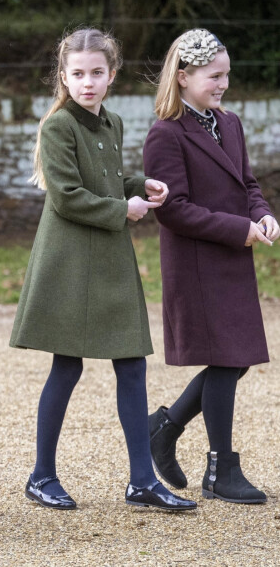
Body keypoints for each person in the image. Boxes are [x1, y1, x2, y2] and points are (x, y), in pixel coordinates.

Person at [10, 27, 196, 512]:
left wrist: (140, 182)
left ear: (111, 75)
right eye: (78, 74)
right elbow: (68, 196)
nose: (87, 82)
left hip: (109, 258)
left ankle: (142, 481)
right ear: (64, 77)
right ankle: (41, 475)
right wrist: (125, 209)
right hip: (69, 260)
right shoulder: (56, 127)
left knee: (132, 364)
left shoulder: (110, 123)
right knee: (66, 366)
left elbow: (107, 177)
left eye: (96, 73)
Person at [143, 28, 279, 504]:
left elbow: (247, 182)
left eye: (226, 75)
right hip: (198, 263)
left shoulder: (231, 122)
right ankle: (220, 467)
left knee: (235, 358)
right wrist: (237, 228)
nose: (223, 84)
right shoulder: (165, 133)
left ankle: (164, 427)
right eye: (213, 76)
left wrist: (260, 212)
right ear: (182, 77)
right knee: (228, 359)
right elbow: (172, 209)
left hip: (232, 260)